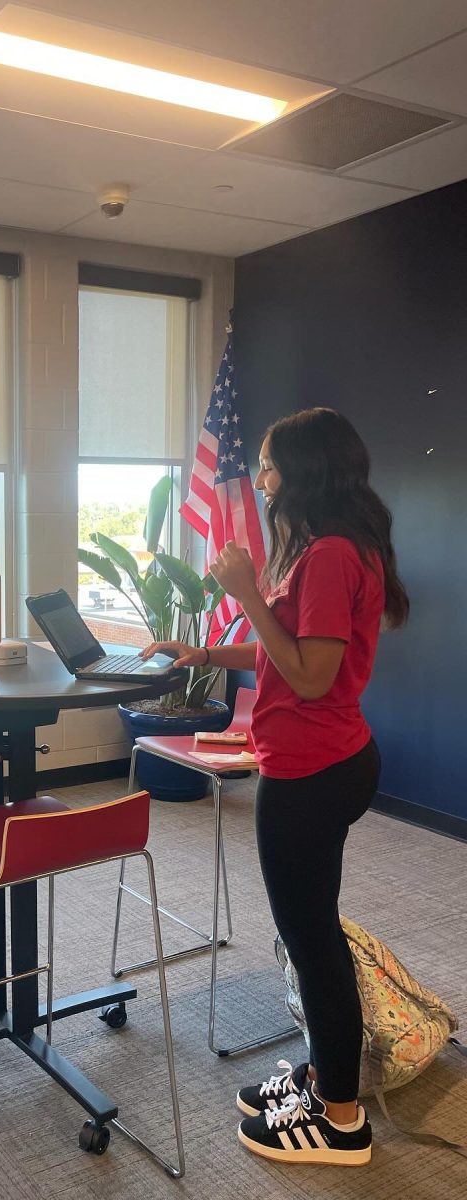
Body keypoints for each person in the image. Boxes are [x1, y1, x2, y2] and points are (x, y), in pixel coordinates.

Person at [144, 407, 408, 1168]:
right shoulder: (328, 548)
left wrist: (246, 590)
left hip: (312, 772)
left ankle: (341, 1120)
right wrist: (204, 648)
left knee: (311, 939)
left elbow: (311, 673)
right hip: (327, 760)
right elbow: (280, 651)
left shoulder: (327, 555)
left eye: (267, 465)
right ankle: (328, 1075)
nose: (258, 480)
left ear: (302, 470)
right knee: (311, 929)